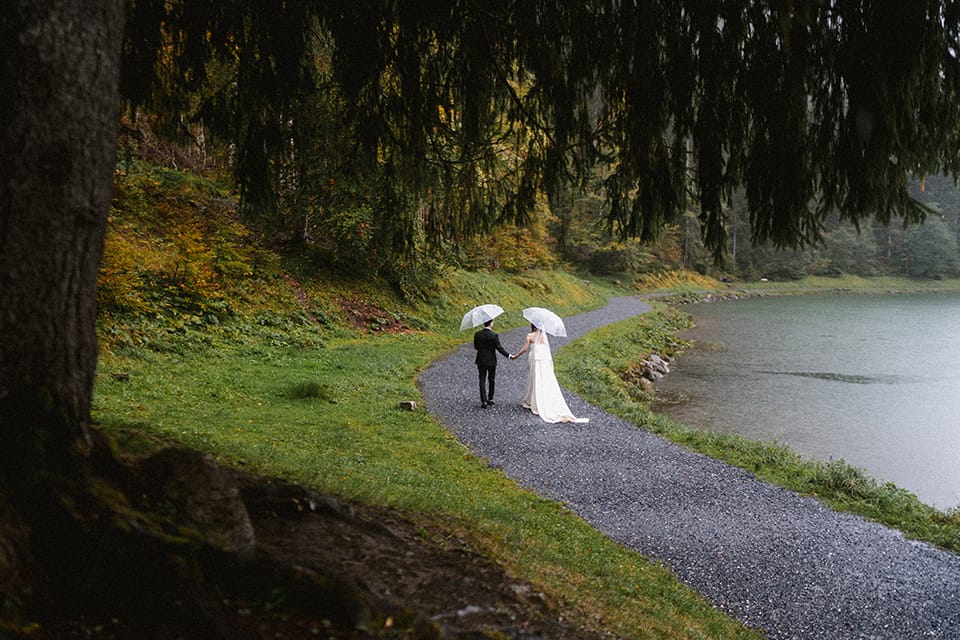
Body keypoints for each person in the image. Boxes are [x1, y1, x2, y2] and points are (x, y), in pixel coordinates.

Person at [510, 324, 588, 423]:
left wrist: (515, 356)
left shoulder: (530, 336)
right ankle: (540, 401)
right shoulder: (543, 336)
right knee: (542, 379)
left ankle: (533, 401)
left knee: (534, 378)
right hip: (543, 360)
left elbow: (525, 349)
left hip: (534, 358)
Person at [474, 318, 510, 408]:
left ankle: (483, 400)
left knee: (482, 379)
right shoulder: (494, 335)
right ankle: (490, 398)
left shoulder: (477, 334)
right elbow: (499, 348)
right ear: (490, 323)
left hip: (481, 359)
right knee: (491, 379)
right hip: (491, 360)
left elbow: (476, 347)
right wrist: (508, 355)